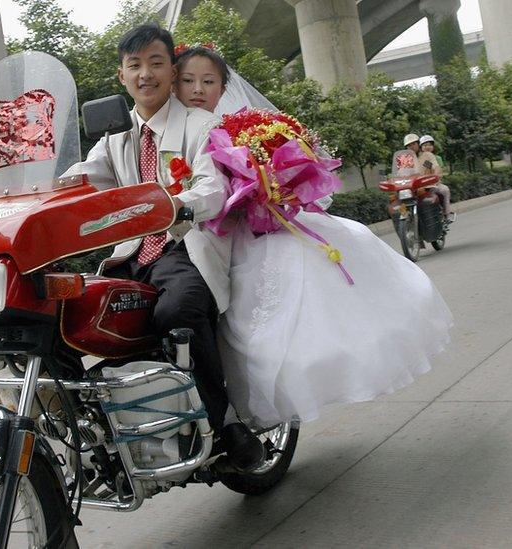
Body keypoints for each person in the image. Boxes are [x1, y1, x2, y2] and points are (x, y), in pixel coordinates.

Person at [172, 44, 453, 426]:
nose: (198, 89)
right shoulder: (167, 130)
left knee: (278, 306)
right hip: (198, 235)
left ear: (223, 88)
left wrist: (268, 188)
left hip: (244, 229)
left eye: (209, 81)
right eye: (188, 80)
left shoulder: (235, 129)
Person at [63, 25, 265, 471]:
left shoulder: (202, 123)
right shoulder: (115, 136)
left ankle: (225, 422)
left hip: (184, 247)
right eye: (135, 65)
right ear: (121, 76)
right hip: (132, 255)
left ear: (172, 72)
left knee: (179, 311)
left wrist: (177, 204)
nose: (145, 74)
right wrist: (28, 195)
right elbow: (78, 180)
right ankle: (90, 428)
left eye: (156, 63)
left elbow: (213, 187)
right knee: (66, 315)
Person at [417, 134, 453, 220]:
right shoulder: (418, 158)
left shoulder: (437, 158)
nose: (428, 147)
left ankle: (446, 213)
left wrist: (435, 178)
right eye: (425, 145)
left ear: (433, 147)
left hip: (434, 184)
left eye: (430, 145)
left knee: (445, 190)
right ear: (421, 147)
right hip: (420, 185)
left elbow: (437, 169)